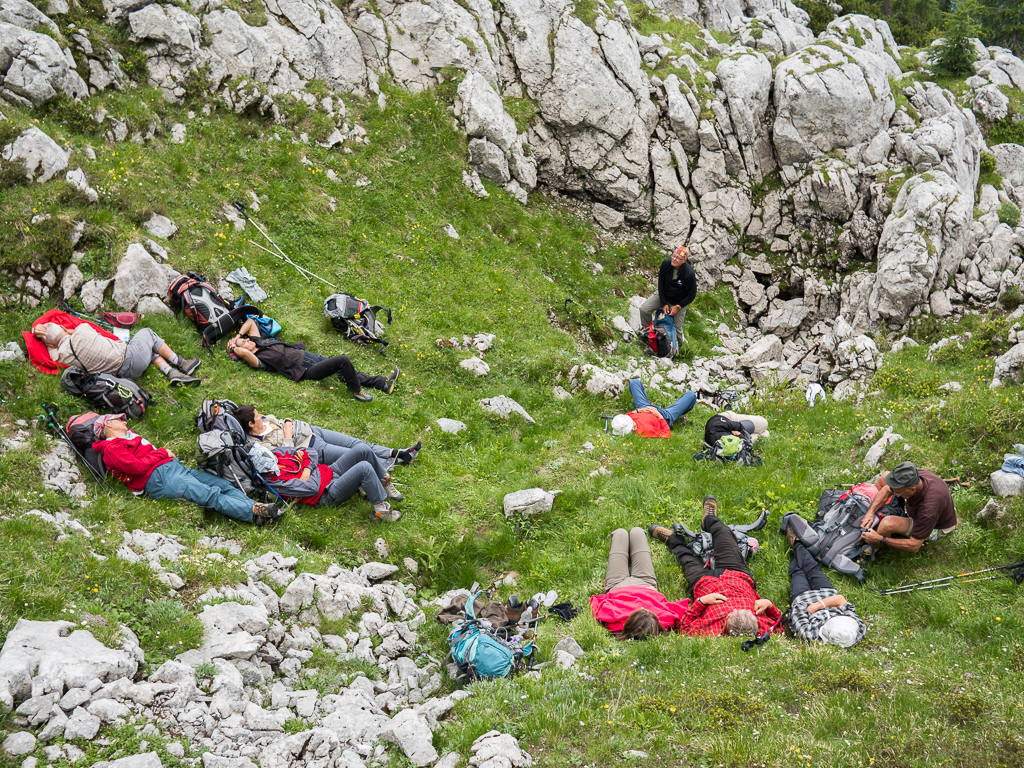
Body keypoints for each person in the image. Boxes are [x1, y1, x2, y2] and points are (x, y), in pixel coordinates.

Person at [91, 414, 284, 525]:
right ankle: (255, 511)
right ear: (107, 423)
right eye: (119, 419)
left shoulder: (128, 438)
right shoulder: (111, 448)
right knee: (210, 494)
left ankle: (258, 513)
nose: (125, 421)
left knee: (223, 484)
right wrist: (162, 453)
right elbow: (136, 467)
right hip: (158, 479)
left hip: (174, 469)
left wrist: (163, 456)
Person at [649, 496, 782, 637]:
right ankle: (709, 519)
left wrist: (702, 602)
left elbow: (684, 627)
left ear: (726, 623)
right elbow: (781, 625)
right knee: (724, 533)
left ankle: (672, 538)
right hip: (737, 575)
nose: (734, 609)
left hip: (703, 584)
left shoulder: (711, 631)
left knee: (685, 557)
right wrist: (769, 605)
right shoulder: (762, 628)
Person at [226, 318, 398, 402]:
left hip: (312, 357)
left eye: (247, 339)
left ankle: (382, 383)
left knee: (346, 371)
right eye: (244, 343)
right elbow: (245, 354)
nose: (248, 340)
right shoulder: (259, 360)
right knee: (343, 360)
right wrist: (234, 347)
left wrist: (238, 336)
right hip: (308, 370)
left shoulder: (257, 341)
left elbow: (250, 322)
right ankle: (356, 391)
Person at [232, 405, 421, 469]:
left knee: (357, 442)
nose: (261, 416)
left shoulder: (266, 419)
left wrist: (288, 423)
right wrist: (288, 435)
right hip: (312, 448)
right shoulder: (259, 444)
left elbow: (284, 420)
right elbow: (285, 456)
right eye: (257, 416)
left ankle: (397, 453)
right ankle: (389, 465)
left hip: (313, 431)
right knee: (355, 453)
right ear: (250, 424)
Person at [256, 442, 403, 522]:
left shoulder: (277, 454)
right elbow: (312, 489)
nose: (275, 461)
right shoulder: (275, 481)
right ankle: (381, 511)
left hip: (329, 471)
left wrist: (307, 469)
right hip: (327, 493)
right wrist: (308, 465)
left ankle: (385, 481)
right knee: (364, 468)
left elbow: (311, 452)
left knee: (362, 449)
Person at [589, 527, 689, 640]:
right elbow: (681, 611)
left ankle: (627, 551)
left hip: (619, 585)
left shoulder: (614, 621)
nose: (641, 605)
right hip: (644, 584)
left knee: (620, 533)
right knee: (636, 532)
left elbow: (597, 603)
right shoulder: (662, 621)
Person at [32, 321, 200, 387]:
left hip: (123, 375)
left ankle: (171, 373)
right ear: (62, 329)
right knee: (148, 333)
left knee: (148, 351)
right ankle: (181, 362)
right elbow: (71, 330)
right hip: (130, 358)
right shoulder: (82, 330)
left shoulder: (60, 356)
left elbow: (50, 343)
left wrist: (35, 331)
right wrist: (63, 329)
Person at [859, 461, 957, 553]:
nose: (893, 492)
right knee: (885, 477)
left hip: (937, 527)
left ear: (912, 489)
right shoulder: (912, 476)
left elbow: (914, 546)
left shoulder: (928, 509)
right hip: (923, 509)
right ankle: (867, 510)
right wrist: (870, 513)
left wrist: (880, 539)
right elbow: (887, 489)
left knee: (888, 523)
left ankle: (871, 549)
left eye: (897, 492)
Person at [786, 534, 866, 647]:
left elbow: (797, 610)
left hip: (803, 597)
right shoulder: (856, 629)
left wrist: (831, 604)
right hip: (826, 592)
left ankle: (799, 543)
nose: (836, 616)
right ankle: (798, 543)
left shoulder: (810, 634)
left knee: (797, 571)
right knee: (813, 568)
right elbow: (840, 599)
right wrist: (818, 606)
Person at [639, 245, 696, 348]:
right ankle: (648, 334)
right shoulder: (666, 264)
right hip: (664, 295)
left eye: (678, 258)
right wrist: (664, 302)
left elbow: (691, 295)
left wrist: (678, 306)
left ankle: (677, 348)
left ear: (684, 260)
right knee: (644, 309)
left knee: (677, 327)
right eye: (674, 256)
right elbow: (661, 284)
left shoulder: (689, 273)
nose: (674, 259)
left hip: (679, 301)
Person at [611, 379, 696, 438]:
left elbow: (627, 415)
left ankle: (650, 404)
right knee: (691, 395)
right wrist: (659, 416)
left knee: (634, 382)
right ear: (632, 429)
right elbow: (666, 434)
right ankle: (677, 416)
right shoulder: (646, 430)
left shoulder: (628, 420)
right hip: (664, 416)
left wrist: (639, 410)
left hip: (644, 408)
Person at [703, 411, 768, 447]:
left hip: (726, 419)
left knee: (764, 423)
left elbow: (737, 425)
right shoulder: (725, 446)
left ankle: (751, 431)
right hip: (734, 434)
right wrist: (742, 437)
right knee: (766, 434)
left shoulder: (717, 428)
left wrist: (741, 432)